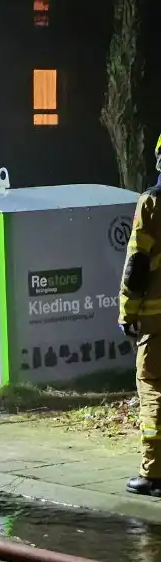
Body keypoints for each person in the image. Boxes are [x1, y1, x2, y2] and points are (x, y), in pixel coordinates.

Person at [120, 133, 161, 496]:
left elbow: (138, 265)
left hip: (156, 322)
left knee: (152, 390)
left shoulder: (151, 204)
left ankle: (154, 473)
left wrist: (127, 313)